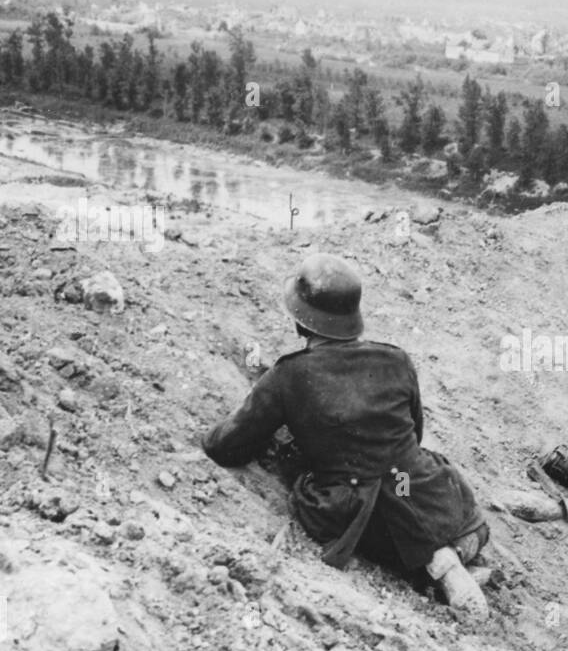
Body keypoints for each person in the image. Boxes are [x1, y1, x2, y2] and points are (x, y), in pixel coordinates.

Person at [202, 253, 490, 614]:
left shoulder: (289, 376)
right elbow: (415, 433)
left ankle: (433, 567)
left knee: (299, 467)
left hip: (351, 508)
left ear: (300, 321)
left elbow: (227, 447)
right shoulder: (396, 359)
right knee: (469, 524)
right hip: (421, 488)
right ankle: (453, 554)